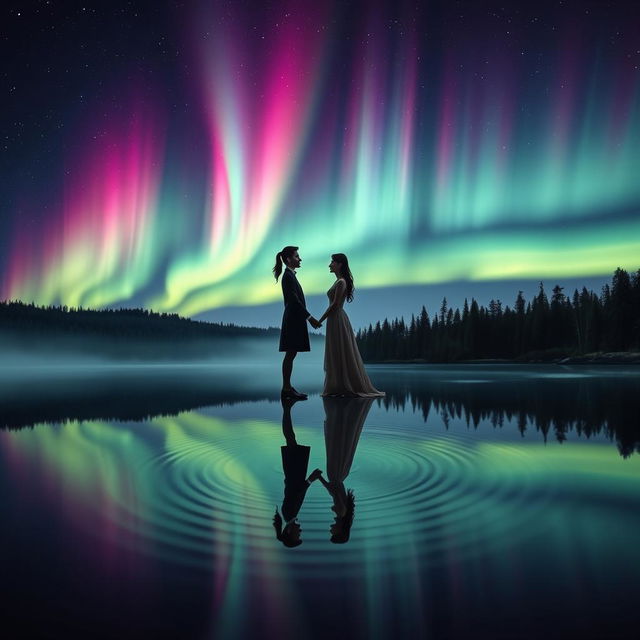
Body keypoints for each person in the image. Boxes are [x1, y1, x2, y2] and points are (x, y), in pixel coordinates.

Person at [318, 253, 384, 397]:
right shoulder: (338, 282)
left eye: (332, 262)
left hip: (338, 319)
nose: (330, 265)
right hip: (334, 320)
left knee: (341, 350)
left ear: (339, 264)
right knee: (335, 351)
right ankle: (337, 386)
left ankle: (345, 386)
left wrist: (319, 320)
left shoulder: (341, 282)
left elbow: (335, 304)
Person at [317, 397, 374, 543]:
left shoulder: (343, 513)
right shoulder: (342, 512)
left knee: (337, 445)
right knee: (336, 444)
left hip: (336, 476)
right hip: (335, 475)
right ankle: (340, 409)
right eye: (333, 533)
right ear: (340, 531)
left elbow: (333, 490)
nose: (331, 530)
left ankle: (341, 410)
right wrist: (320, 479)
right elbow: (334, 490)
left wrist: (319, 478)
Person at [272, 396, 322, 547]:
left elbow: (296, 493)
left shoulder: (288, 514)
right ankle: (287, 407)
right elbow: (298, 494)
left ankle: (286, 407)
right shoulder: (291, 515)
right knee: (291, 438)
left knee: (290, 438)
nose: (300, 532)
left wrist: (311, 479)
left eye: (297, 535)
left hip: (294, 473)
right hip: (295, 474)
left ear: (288, 532)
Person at [273, 246, 321, 400]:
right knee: (290, 353)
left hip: (294, 319)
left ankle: (287, 388)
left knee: (291, 353)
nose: (300, 259)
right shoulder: (288, 276)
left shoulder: (290, 275)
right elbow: (294, 300)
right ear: (288, 259)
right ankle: (286, 389)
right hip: (293, 320)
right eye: (297, 256)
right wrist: (310, 318)